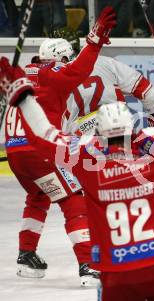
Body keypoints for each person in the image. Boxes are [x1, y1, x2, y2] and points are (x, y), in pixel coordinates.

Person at [0, 32, 154, 301]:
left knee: (45, 196)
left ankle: (31, 253)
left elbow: (43, 135)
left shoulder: (87, 160)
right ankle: (60, 259)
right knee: (67, 200)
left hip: (116, 276)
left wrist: (22, 99)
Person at [3, 7, 116, 286]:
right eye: (66, 57)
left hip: (15, 152)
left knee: (39, 196)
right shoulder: (52, 74)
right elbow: (79, 69)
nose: (68, 62)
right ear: (56, 58)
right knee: (73, 198)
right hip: (39, 150)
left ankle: (27, 255)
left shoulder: (20, 75)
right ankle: (88, 265)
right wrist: (95, 39)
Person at [49, 26, 154, 137]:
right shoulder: (106, 63)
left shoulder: (52, 79)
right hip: (119, 129)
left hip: (82, 142)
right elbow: (146, 91)